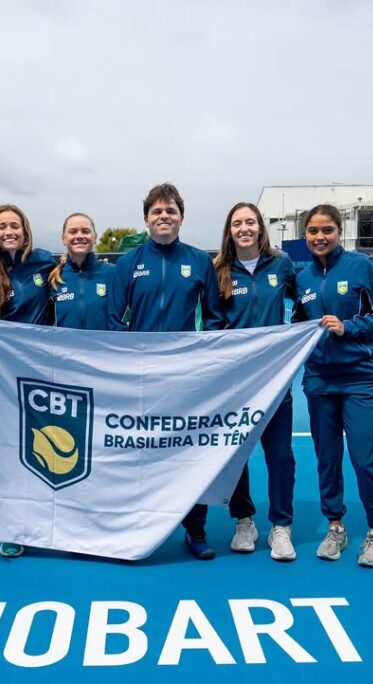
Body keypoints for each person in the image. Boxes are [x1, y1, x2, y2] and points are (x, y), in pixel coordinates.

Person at [107, 182, 225, 560]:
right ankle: (136, 526)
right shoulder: (127, 263)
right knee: (137, 453)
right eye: (156, 211)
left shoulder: (199, 261)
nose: (164, 216)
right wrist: (131, 362)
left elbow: (215, 320)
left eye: (170, 210)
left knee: (190, 454)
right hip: (140, 377)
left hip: (185, 377)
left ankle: (195, 528)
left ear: (181, 217)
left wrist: (203, 361)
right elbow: (113, 320)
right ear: (146, 219)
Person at [292, 204, 373, 568]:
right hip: (320, 380)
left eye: (327, 230)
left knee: (364, 459)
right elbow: (297, 327)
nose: (320, 237)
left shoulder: (361, 266)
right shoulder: (303, 278)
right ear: (305, 235)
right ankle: (335, 526)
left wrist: (349, 326)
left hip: (361, 377)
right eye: (313, 231)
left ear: (339, 232)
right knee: (327, 458)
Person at [0, 203, 55, 558]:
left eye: (14, 225)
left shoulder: (45, 262)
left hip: (43, 377)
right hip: (3, 380)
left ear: (25, 230)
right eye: (2, 227)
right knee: (9, 453)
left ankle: (49, 519)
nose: (8, 232)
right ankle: (13, 526)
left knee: (42, 451)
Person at [212, 202, 298, 561]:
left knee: (280, 456)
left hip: (275, 381)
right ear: (229, 231)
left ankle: (281, 526)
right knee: (235, 456)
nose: (244, 228)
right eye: (237, 223)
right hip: (236, 384)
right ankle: (244, 521)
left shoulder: (281, 265)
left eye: (250, 222)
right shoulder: (219, 270)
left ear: (260, 228)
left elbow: (307, 302)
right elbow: (213, 324)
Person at [48, 212, 114, 330]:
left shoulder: (113, 273)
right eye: (73, 232)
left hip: (103, 343)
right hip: (65, 343)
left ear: (95, 237)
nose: (79, 236)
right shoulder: (54, 279)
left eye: (85, 231)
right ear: (63, 239)